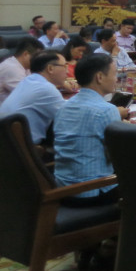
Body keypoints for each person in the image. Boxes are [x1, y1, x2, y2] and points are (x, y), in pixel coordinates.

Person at [53, 54, 125, 207]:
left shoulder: (64, 107)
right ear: (99, 77)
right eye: (114, 74)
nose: (116, 79)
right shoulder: (106, 110)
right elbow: (119, 157)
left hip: (62, 191)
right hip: (93, 192)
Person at [0, 51, 69, 144]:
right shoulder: (45, 88)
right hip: (27, 147)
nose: (67, 71)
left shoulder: (28, 80)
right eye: (64, 66)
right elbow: (70, 116)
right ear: (50, 68)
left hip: (8, 144)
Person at [0, 36, 44, 107]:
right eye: (37, 57)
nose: (39, 61)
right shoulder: (11, 68)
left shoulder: (25, 67)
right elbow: (29, 95)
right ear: (26, 54)